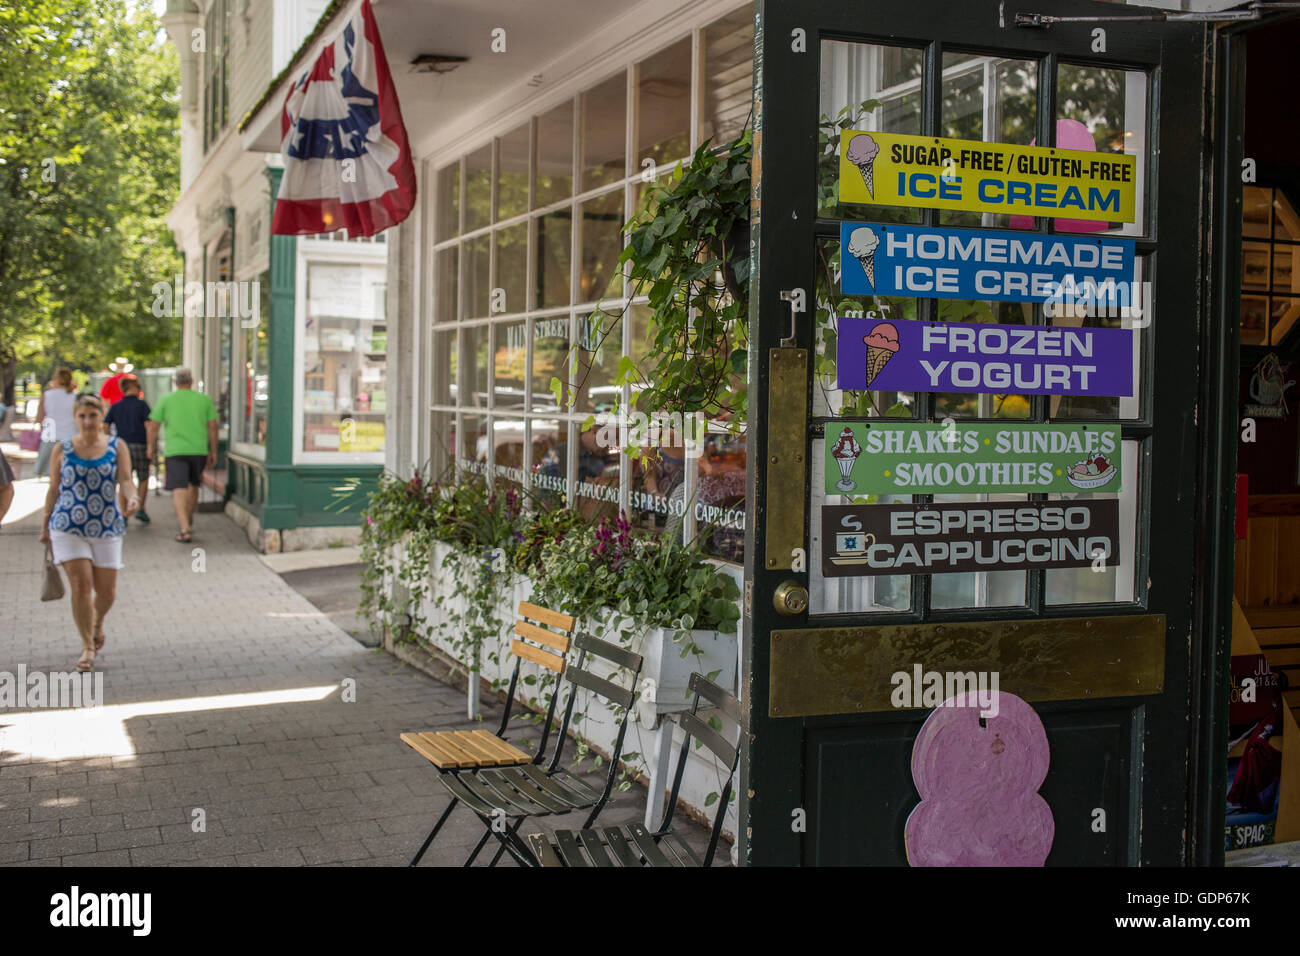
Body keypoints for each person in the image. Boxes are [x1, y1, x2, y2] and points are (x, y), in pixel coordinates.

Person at [38, 394, 140, 671]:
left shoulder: (117, 447)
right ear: (75, 417)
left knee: (107, 592)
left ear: (101, 416)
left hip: (107, 525)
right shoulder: (64, 448)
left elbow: (126, 479)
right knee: (81, 586)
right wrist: (45, 522)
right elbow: (53, 487)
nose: (87, 421)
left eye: (92, 415)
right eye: (81, 416)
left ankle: (96, 623)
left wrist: (132, 499)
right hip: (67, 525)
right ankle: (86, 646)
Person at [146, 367, 217, 543]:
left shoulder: (166, 400)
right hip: (198, 449)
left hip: (175, 450)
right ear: (191, 381)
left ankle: (184, 527)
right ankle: (188, 519)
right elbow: (213, 426)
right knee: (193, 485)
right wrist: (213, 450)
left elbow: (153, 425)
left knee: (179, 488)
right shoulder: (204, 400)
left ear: (175, 383)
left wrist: (150, 446)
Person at [104, 376, 152, 523]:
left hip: (121, 446)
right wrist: (151, 446)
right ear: (131, 388)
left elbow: (105, 425)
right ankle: (140, 508)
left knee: (124, 478)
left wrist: (108, 443)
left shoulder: (116, 406)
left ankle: (124, 512)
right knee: (143, 478)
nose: (140, 389)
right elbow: (149, 425)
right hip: (140, 445)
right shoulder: (142, 405)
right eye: (138, 386)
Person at [34, 367, 78, 478]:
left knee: (52, 475)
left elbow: (40, 418)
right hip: (72, 436)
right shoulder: (76, 397)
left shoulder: (47, 395)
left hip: (51, 436)